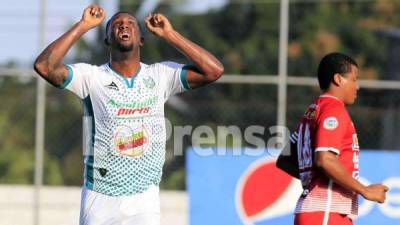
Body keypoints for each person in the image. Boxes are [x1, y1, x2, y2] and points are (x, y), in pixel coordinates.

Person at [34, 4, 224, 225]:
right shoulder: (91, 77)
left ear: (141, 39)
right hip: (100, 197)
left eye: (130, 24)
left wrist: (170, 35)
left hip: (144, 198)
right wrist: (83, 26)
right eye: (116, 25)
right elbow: (44, 66)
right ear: (107, 40)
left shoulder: (161, 74)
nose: (124, 25)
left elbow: (214, 70)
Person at [276, 52, 388, 225]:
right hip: (326, 212)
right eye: (354, 79)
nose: (357, 86)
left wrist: (314, 179)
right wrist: (365, 190)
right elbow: (325, 159)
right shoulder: (333, 109)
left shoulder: (313, 111)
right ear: (338, 79)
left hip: (319, 211)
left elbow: (285, 160)